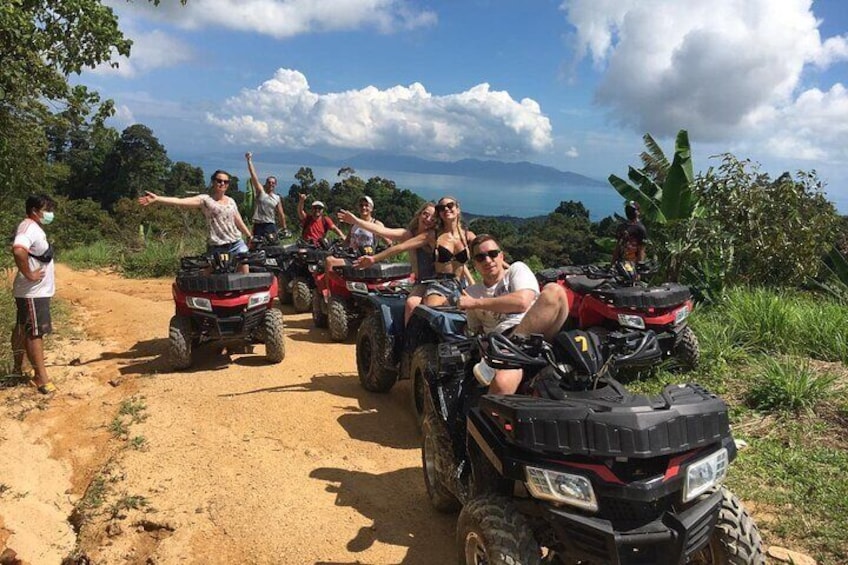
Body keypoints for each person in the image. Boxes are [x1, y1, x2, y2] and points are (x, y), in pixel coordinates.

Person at [458, 234, 571, 395]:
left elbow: (522, 302)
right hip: (501, 342)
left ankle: (510, 350)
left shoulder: (516, 270)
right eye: (480, 257)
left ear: (501, 256)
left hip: (537, 334)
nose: (488, 260)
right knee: (502, 384)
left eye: (492, 254)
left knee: (554, 291)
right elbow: (476, 331)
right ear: (475, 264)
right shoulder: (472, 292)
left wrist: (475, 303)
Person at [354, 195, 475, 309]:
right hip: (430, 282)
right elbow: (394, 242)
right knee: (413, 304)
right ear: (419, 215)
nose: (446, 209)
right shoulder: (425, 236)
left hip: (457, 284)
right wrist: (373, 258)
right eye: (442, 208)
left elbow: (462, 262)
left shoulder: (464, 236)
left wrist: (473, 283)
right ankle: (406, 331)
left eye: (450, 205)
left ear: (458, 209)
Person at [138, 170, 253, 274]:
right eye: (219, 181)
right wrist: (158, 199)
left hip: (236, 243)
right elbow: (180, 201)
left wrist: (248, 235)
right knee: (207, 275)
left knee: (244, 270)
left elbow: (237, 220)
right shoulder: (205, 200)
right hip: (217, 245)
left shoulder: (231, 201)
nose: (222, 184)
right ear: (213, 182)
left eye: (225, 182)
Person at [339, 201, 437, 323]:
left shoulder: (434, 236)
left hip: (436, 281)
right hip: (421, 282)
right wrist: (357, 221)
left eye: (433, 218)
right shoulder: (408, 235)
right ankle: (408, 340)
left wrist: (468, 282)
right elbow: (382, 231)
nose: (428, 219)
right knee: (411, 304)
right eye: (425, 214)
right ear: (419, 214)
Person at [10, 194, 58, 394]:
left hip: (31, 292)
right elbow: (19, 250)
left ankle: (19, 367)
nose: (50, 214)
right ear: (34, 211)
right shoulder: (28, 228)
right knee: (35, 332)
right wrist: (29, 274)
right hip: (33, 292)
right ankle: (41, 377)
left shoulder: (32, 228)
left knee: (22, 327)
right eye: (46, 209)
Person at [324, 195, 390, 275]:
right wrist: (336, 247)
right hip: (352, 256)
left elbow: (389, 242)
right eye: (361, 205)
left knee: (330, 262)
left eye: (366, 205)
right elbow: (347, 241)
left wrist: (380, 255)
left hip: (366, 258)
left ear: (371, 208)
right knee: (328, 260)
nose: (363, 208)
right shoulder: (354, 224)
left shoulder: (376, 224)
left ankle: (328, 288)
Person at [245, 152, 289, 238]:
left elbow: (281, 214)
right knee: (256, 248)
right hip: (258, 225)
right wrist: (249, 160)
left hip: (270, 225)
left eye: (273, 183)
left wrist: (284, 228)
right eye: (269, 182)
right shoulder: (261, 192)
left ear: (275, 184)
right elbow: (253, 176)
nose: (271, 184)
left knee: (272, 248)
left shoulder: (277, 198)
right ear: (265, 184)